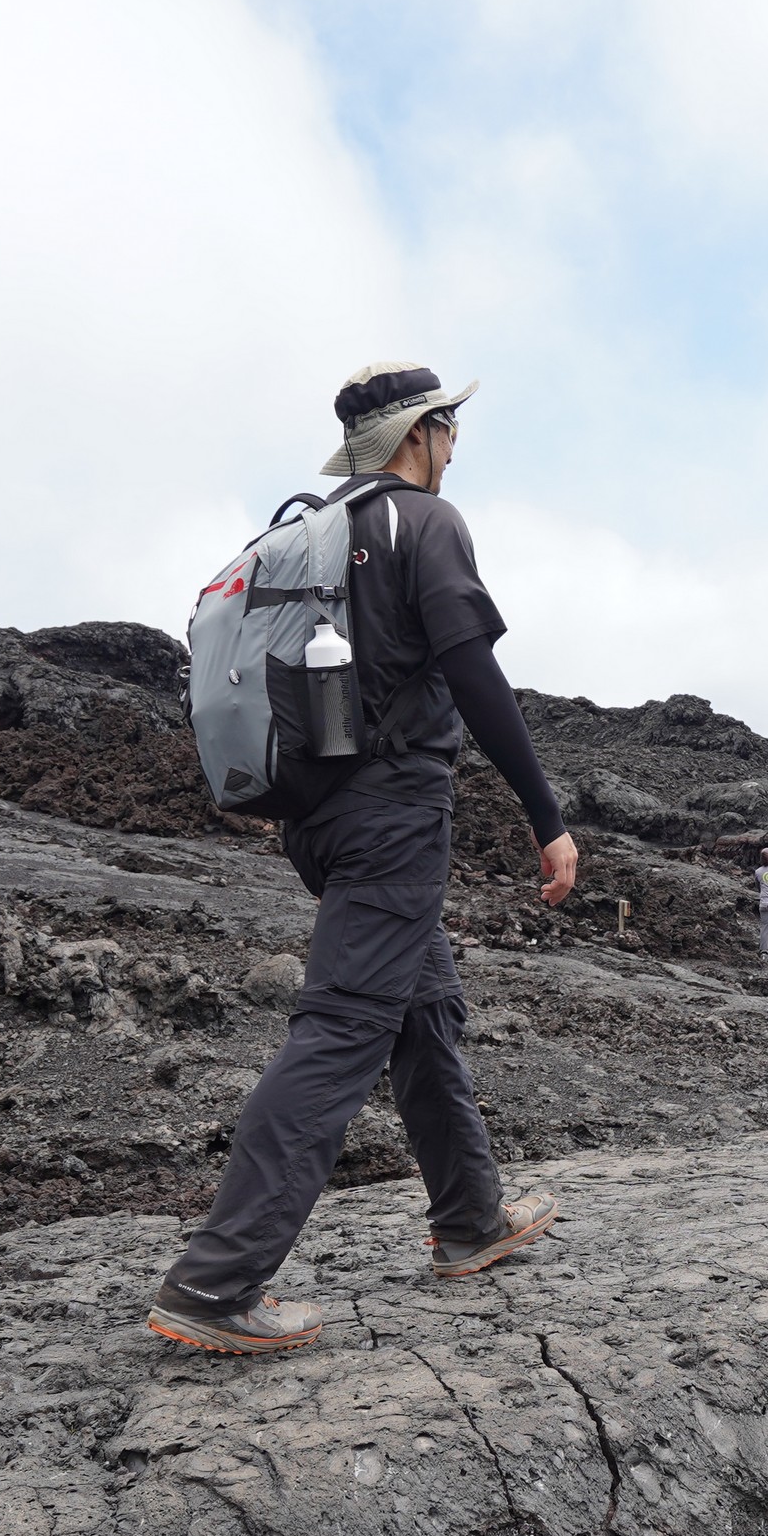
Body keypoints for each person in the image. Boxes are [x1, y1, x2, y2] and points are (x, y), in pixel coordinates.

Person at [147, 361, 578, 1355]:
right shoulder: (422, 524)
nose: (457, 446)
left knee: (423, 1010)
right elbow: (474, 669)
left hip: (320, 821)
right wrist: (545, 817)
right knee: (343, 1027)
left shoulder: (317, 538)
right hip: (393, 818)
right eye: (448, 428)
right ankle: (216, 1284)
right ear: (417, 435)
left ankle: (469, 1219)